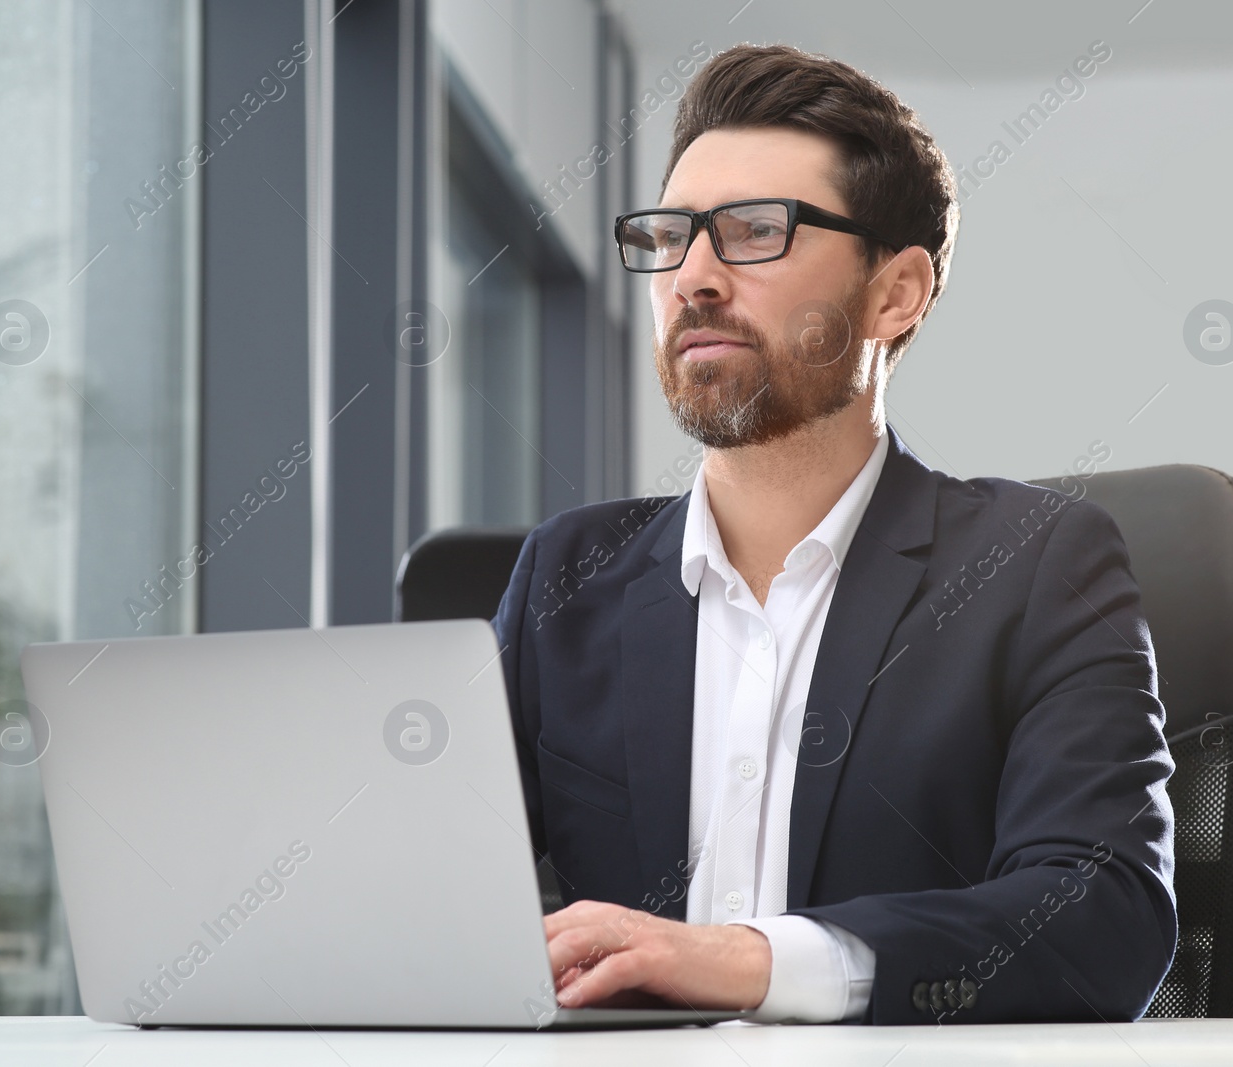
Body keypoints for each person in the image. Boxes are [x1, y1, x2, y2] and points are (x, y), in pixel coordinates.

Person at [490, 42, 1175, 1026]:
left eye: (753, 232)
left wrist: (751, 959)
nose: (693, 277)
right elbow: (426, 904)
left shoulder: (1036, 566)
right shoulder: (567, 574)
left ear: (894, 293)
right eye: (671, 237)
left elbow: (1102, 918)